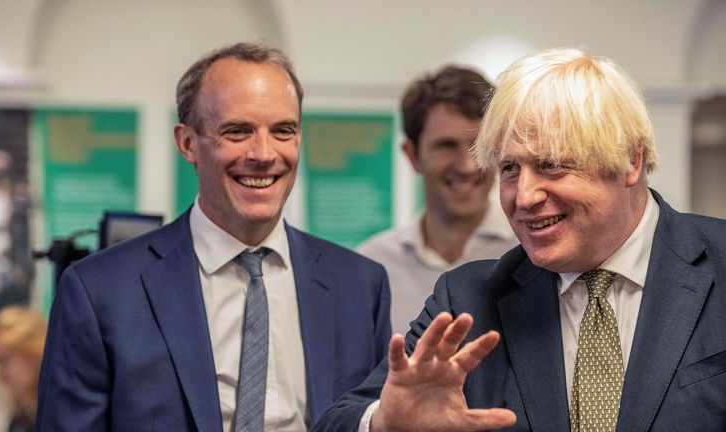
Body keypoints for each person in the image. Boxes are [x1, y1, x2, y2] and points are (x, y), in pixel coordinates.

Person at [315, 47, 726, 431]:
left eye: (551, 164)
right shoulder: (470, 298)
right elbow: (340, 418)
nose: (523, 197)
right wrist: (387, 421)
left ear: (630, 160)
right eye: (510, 168)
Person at [36, 42, 391, 431]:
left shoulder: (360, 287)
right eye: (237, 131)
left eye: (283, 130)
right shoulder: (100, 291)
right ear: (188, 143)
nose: (263, 153)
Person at [357, 66, 517, 334]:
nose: (466, 166)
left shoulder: (531, 254)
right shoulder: (371, 268)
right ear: (412, 155)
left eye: (479, 146)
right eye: (446, 146)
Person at [0, 306, 47, 432]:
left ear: (33, 353)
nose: (0, 375)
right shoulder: (22, 417)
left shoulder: (61, 413)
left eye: (4, 360)